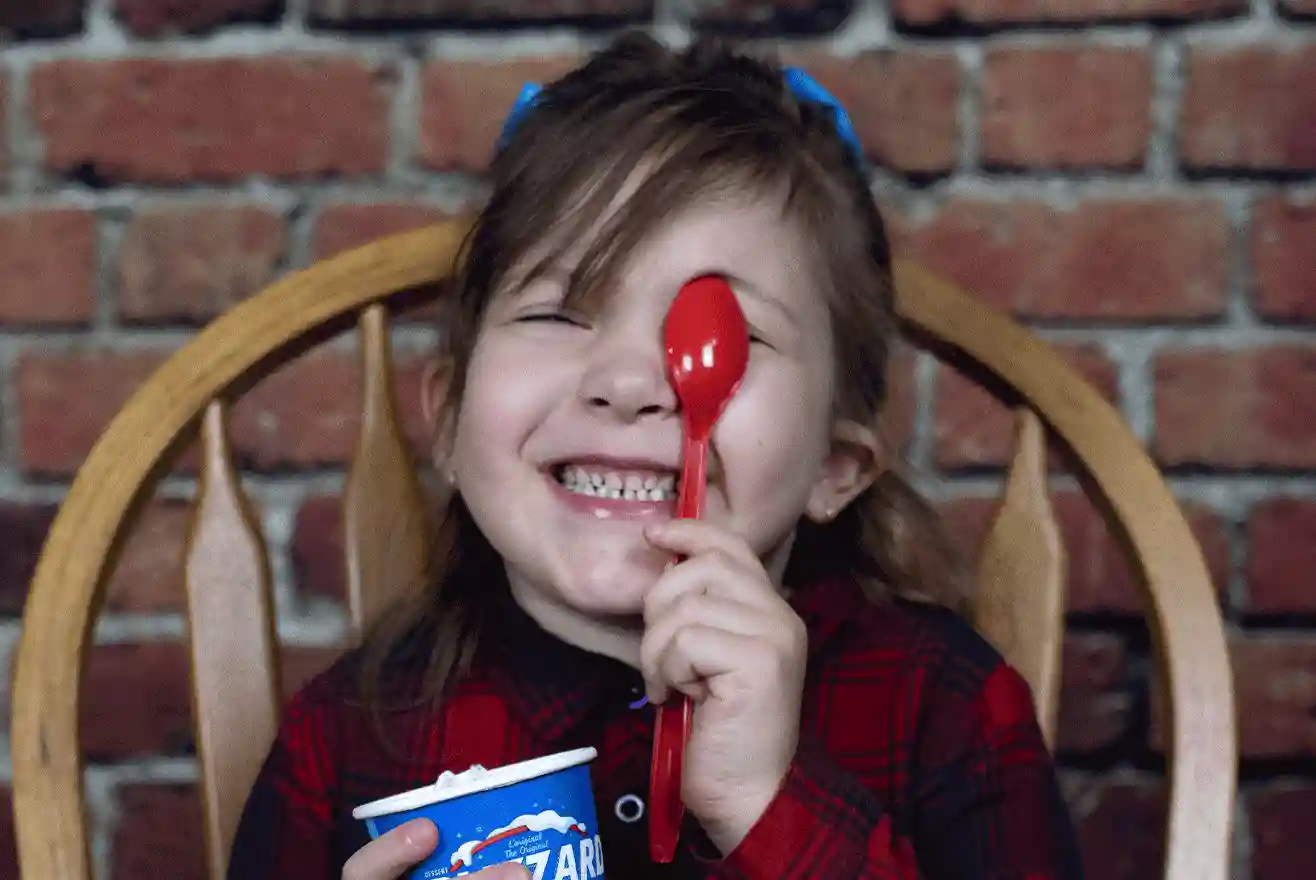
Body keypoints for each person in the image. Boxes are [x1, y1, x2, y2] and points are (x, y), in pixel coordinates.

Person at [228, 32, 1084, 880]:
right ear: (449, 420)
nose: (630, 381)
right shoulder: (344, 738)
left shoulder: (943, 705)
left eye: (725, 336)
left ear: (835, 467)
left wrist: (768, 805)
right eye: (559, 314)